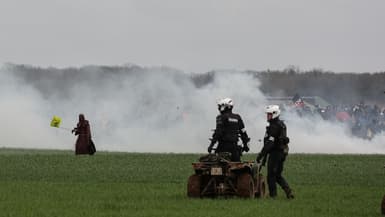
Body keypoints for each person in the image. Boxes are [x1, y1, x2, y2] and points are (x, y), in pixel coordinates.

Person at [256, 105, 294, 199]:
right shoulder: (281, 124)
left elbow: (269, 144)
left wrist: (261, 155)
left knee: (271, 176)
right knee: (277, 175)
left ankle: (273, 196)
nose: (267, 116)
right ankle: (288, 191)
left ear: (274, 114)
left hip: (275, 153)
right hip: (282, 153)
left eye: (269, 114)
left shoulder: (274, 126)